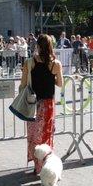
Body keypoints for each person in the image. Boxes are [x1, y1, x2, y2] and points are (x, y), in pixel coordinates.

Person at [21, 34, 63, 175]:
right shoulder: (55, 63)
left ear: (37, 46)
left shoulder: (29, 62)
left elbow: (22, 85)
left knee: (33, 135)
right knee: (46, 134)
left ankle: (36, 165)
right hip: (48, 104)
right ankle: (46, 165)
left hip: (32, 104)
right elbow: (60, 83)